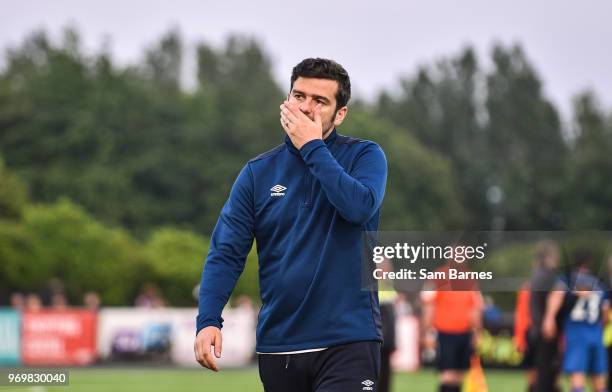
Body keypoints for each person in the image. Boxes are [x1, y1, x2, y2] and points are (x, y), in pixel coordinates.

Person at [194, 58, 388, 391]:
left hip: (348, 341)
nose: (306, 107)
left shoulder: (365, 156)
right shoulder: (257, 173)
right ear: (286, 100)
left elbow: (357, 208)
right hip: (279, 346)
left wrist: (311, 146)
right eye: (299, 96)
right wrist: (208, 320)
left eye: (320, 101)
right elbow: (226, 251)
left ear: (340, 114)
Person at [543, 249, 609, 392]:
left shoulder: (568, 279)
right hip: (596, 333)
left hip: (577, 332)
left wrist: (549, 318)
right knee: (599, 380)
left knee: (578, 378)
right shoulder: (598, 283)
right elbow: (605, 313)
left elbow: (557, 296)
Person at [421, 261, 484, 392]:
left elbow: (475, 307)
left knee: (460, 375)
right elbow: (429, 305)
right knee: (448, 375)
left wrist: (477, 332)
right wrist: (427, 332)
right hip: (445, 333)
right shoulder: (439, 276)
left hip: (465, 333)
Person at [529, 240, 563, 392]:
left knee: (545, 369)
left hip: (538, 328)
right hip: (547, 330)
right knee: (547, 371)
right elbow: (555, 296)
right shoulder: (548, 275)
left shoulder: (537, 274)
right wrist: (549, 320)